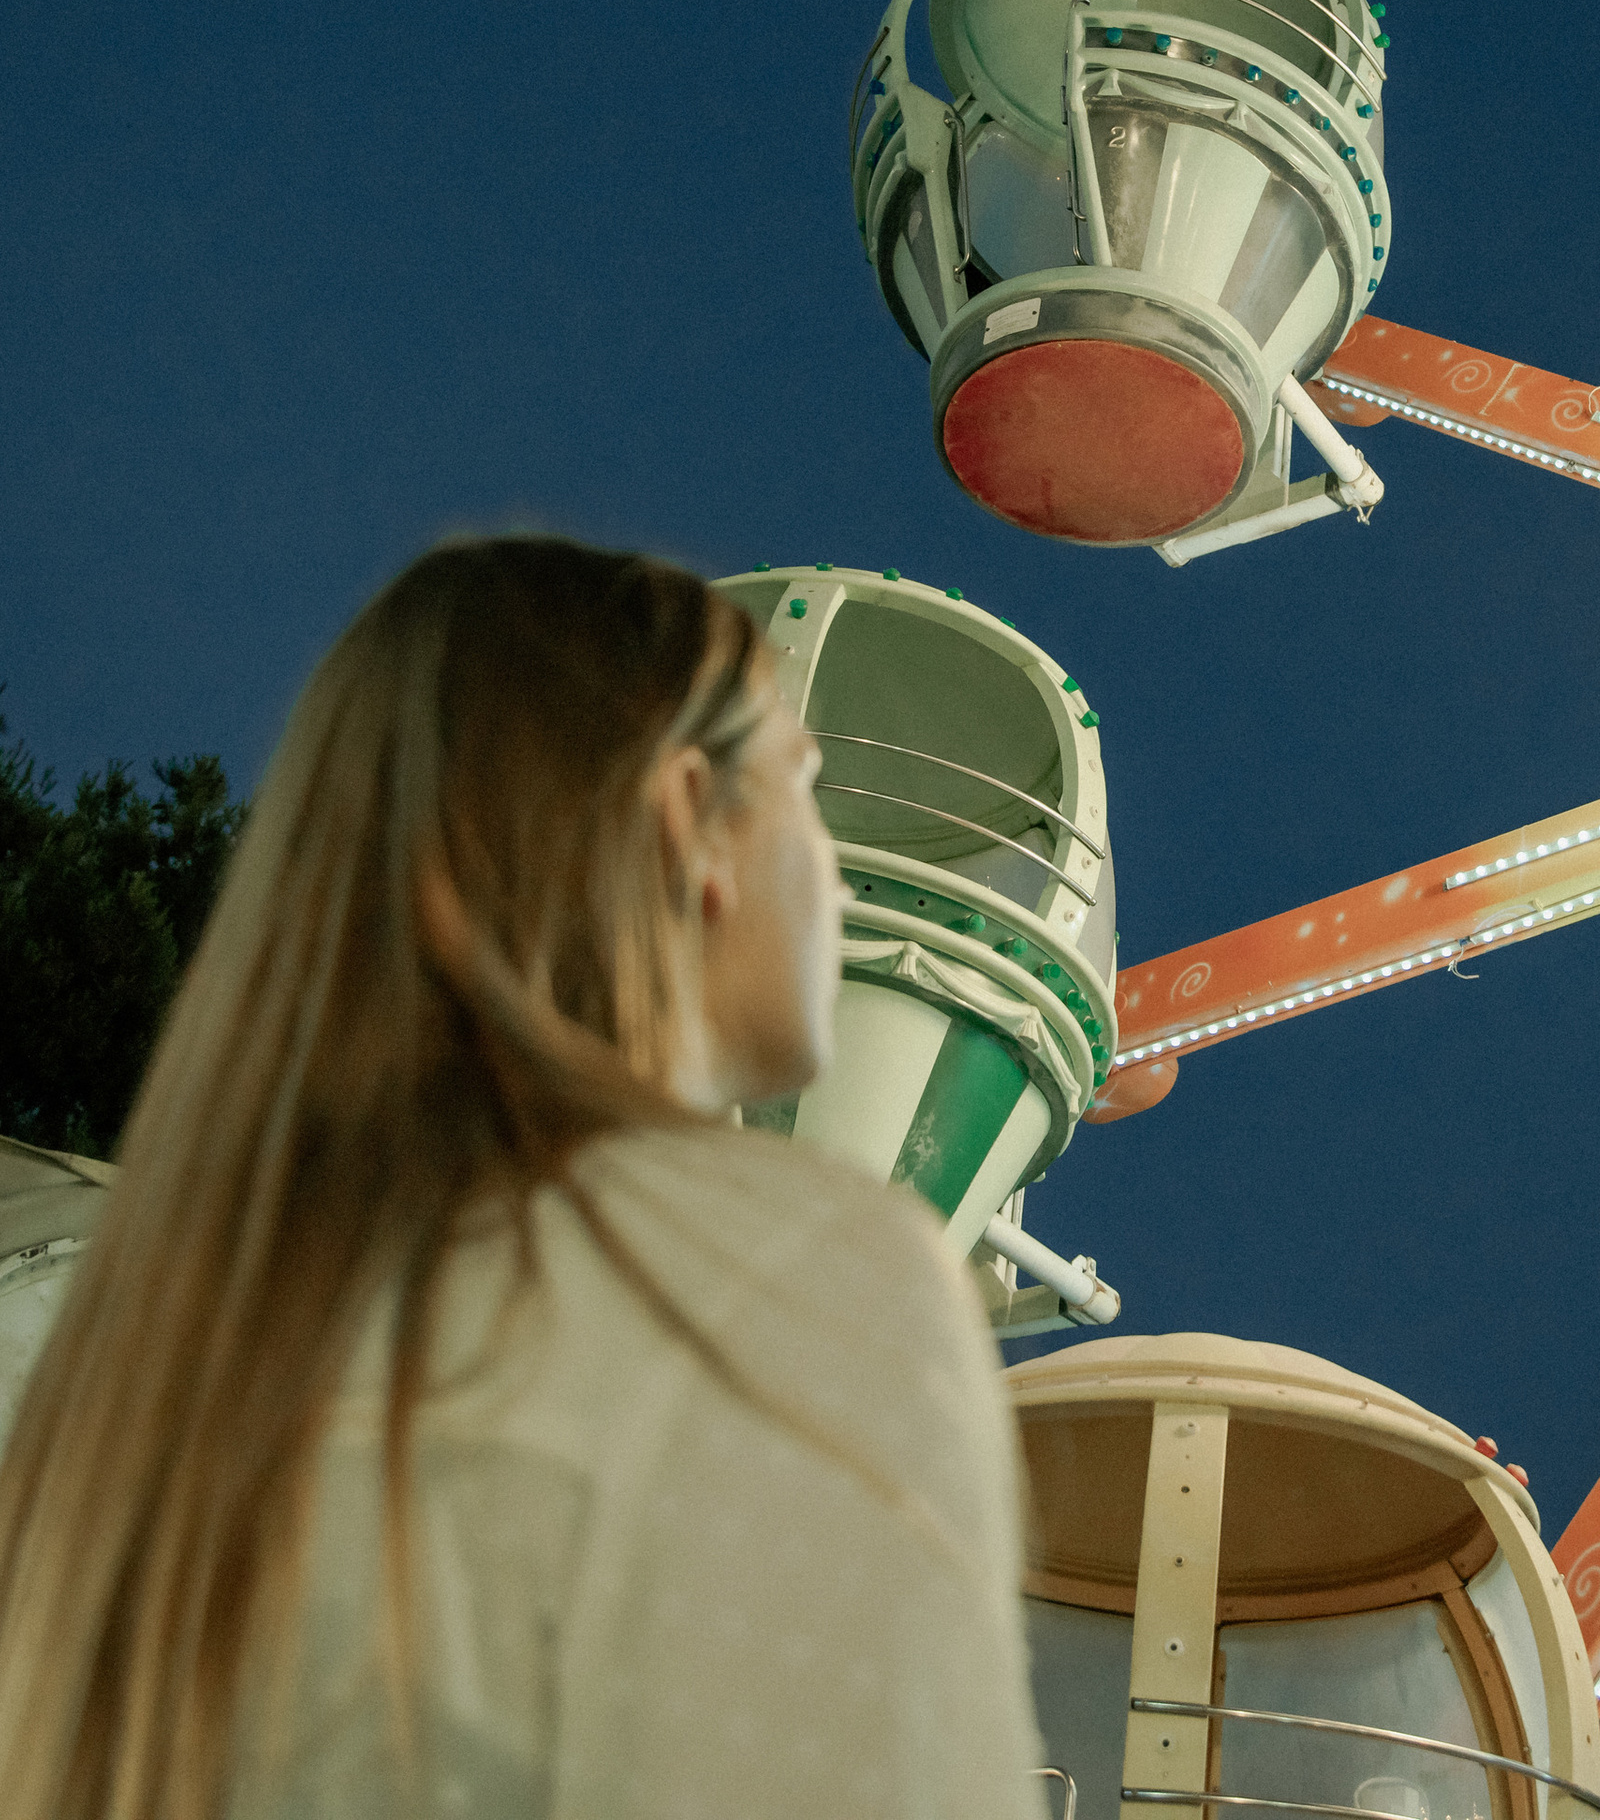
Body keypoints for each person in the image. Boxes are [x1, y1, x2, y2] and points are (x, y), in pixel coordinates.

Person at [0, 537, 1044, 1820]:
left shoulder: (144, 1333)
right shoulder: (805, 1276)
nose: (835, 871)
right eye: (808, 788)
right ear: (687, 823)